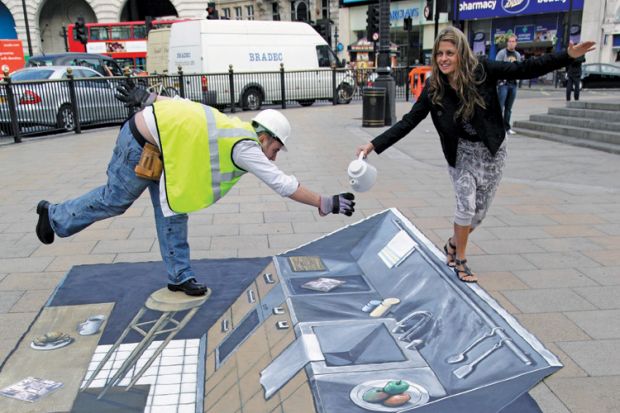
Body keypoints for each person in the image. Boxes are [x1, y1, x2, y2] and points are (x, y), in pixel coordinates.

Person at [35, 81, 356, 296]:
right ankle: (54, 216)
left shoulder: (233, 126)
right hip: (140, 142)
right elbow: (282, 184)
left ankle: (179, 276)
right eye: (275, 149)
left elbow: (185, 106)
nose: (273, 156)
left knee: (174, 209)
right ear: (266, 138)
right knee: (114, 201)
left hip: (165, 151)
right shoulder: (245, 146)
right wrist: (324, 202)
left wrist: (150, 100)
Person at [356, 26, 594, 283]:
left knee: (478, 214)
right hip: (461, 153)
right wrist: (373, 145)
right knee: (466, 206)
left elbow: (524, 69)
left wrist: (567, 55)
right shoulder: (434, 87)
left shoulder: (482, 71)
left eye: (450, 53)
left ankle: (452, 244)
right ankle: (460, 260)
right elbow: (409, 121)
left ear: (461, 53)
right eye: (439, 54)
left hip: (491, 151)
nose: (444, 59)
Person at [495, 34, 522, 135]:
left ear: (516, 43)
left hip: (513, 84)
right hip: (504, 84)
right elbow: (496, 67)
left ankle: (507, 127)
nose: (511, 43)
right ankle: (497, 127)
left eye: (513, 41)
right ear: (507, 42)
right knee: (500, 107)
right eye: (510, 41)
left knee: (509, 108)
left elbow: (519, 68)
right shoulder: (502, 53)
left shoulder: (517, 55)